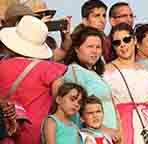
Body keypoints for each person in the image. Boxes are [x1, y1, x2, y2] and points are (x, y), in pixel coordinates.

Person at [0, 16, 66, 144]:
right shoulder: (48, 69)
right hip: (37, 133)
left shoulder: (2, 65)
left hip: (6, 130)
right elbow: (61, 96)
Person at [62, 26, 120, 138]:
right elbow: (78, 109)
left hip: (107, 136)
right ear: (77, 48)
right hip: (94, 136)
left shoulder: (93, 72)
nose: (95, 51)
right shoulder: (74, 72)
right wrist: (105, 130)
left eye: (98, 47)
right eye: (90, 46)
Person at [105, 23, 148, 144]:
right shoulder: (107, 70)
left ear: (134, 40)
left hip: (147, 125)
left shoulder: (144, 70)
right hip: (122, 125)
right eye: (117, 43)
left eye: (126, 40)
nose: (122, 45)